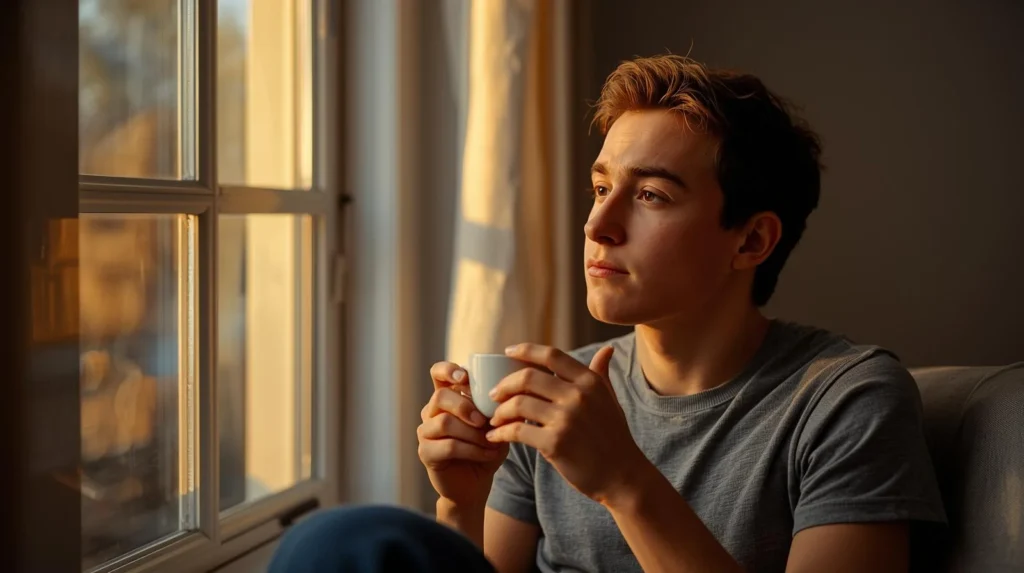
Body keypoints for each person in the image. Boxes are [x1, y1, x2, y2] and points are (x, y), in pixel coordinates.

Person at [270, 55, 945, 573]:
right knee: (333, 539)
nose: (598, 223)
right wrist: (462, 503)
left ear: (752, 240)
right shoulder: (563, 393)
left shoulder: (846, 398)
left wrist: (624, 479)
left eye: (650, 194)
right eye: (600, 187)